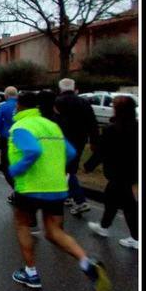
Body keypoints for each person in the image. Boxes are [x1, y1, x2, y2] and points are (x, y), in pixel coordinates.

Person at [7, 92, 110, 291]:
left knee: (22, 224)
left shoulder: (20, 126)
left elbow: (33, 151)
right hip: (56, 187)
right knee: (54, 231)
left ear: (19, 106)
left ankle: (31, 273)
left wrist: (15, 169)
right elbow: (70, 153)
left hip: (30, 187)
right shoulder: (52, 126)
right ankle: (86, 263)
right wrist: (53, 168)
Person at [86, 96, 138, 249]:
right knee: (111, 199)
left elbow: (101, 151)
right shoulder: (137, 127)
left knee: (128, 205)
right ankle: (104, 226)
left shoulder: (112, 129)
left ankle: (136, 237)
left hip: (117, 171)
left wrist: (89, 166)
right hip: (132, 170)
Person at [54, 78, 100, 215]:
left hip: (62, 140)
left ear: (60, 89)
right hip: (80, 139)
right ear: (74, 88)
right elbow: (93, 123)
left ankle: (80, 200)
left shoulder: (57, 102)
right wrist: (94, 141)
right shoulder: (84, 102)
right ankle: (68, 196)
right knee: (70, 168)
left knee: (65, 169)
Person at [0, 86, 19, 203]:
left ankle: (18, 191)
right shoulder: (22, 106)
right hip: (22, 139)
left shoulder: (3, 107)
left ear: (6, 96)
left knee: (6, 167)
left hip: (7, 140)